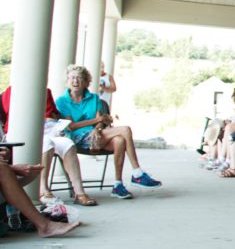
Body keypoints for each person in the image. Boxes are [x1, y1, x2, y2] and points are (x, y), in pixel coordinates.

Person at [55, 65, 162, 200]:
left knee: (120, 140)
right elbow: (71, 126)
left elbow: (101, 120)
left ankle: (118, 184)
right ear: (67, 81)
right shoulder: (62, 101)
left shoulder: (94, 98)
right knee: (125, 130)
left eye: (79, 78)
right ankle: (137, 173)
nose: (75, 81)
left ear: (86, 81)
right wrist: (95, 121)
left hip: (97, 135)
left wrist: (97, 128)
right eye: (72, 78)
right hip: (77, 137)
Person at [1, 86, 97, 205]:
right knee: (47, 143)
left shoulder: (45, 91)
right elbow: (10, 114)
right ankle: (43, 190)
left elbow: (53, 114)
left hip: (47, 130)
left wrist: (52, 121)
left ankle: (79, 192)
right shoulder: (14, 89)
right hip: (24, 133)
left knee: (68, 144)